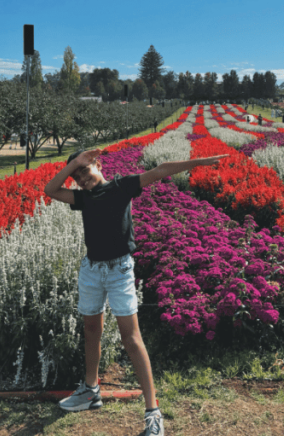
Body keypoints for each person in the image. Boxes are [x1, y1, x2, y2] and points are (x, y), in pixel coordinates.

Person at [44, 148, 228, 436]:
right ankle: (91, 391)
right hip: (91, 270)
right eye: (76, 175)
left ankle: (153, 413)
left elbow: (160, 170)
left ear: (98, 164)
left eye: (85, 170)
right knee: (91, 329)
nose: (81, 178)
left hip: (119, 271)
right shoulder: (83, 198)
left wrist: (200, 162)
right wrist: (75, 165)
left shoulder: (121, 187)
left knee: (131, 338)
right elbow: (50, 189)